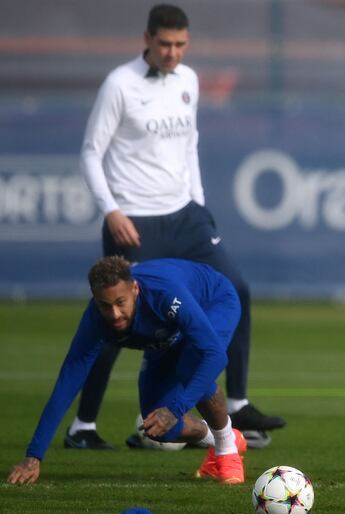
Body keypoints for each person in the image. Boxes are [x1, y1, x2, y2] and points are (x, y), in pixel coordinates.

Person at [72, 4, 282, 451]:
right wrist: (110, 210)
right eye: (165, 44)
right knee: (116, 320)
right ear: (146, 39)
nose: (172, 53)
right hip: (134, 220)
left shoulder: (188, 79)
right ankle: (83, 425)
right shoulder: (120, 84)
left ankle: (238, 402)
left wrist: (200, 206)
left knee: (237, 288)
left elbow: (190, 146)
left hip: (185, 216)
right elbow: (91, 151)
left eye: (180, 45)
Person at [7, 256, 250, 485]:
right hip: (166, 337)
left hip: (213, 301)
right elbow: (67, 383)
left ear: (134, 289)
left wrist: (175, 409)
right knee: (158, 429)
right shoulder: (95, 320)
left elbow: (215, 356)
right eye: (105, 305)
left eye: (120, 303)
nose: (114, 314)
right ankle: (222, 436)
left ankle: (226, 450)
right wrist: (33, 456)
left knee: (192, 365)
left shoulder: (165, 296)